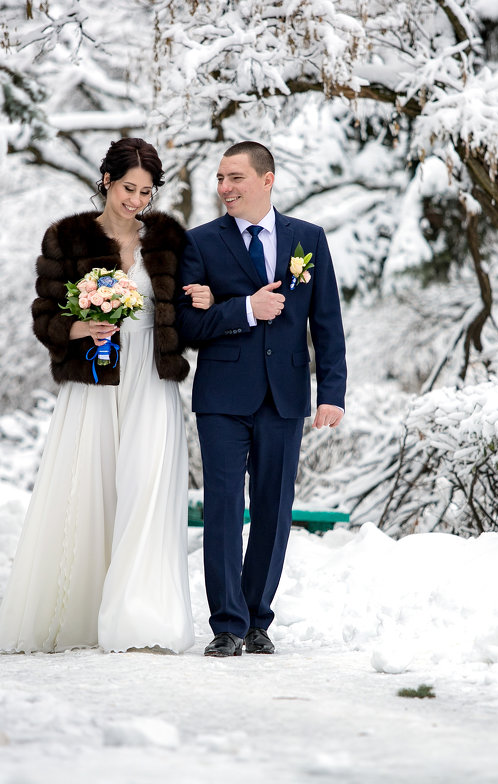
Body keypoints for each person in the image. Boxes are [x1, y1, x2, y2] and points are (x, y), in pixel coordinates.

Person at [0, 138, 213, 654]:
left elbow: (188, 313)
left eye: (145, 191)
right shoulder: (67, 237)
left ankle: (140, 618)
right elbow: (44, 316)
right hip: (96, 382)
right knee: (88, 493)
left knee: (146, 490)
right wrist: (80, 328)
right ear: (106, 182)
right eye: (126, 188)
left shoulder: (169, 239)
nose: (135, 200)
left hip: (152, 381)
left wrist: (205, 299)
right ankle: (78, 615)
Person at [175, 141, 347, 657]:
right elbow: (187, 324)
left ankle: (256, 619)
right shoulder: (200, 243)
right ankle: (226, 624)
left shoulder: (308, 239)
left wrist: (332, 391)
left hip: (287, 395)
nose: (224, 188)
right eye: (220, 179)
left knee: (274, 509)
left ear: (266, 180)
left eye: (236, 178)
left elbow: (328, 323)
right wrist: (244, 309)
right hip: (223, 396)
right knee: (224, 509)